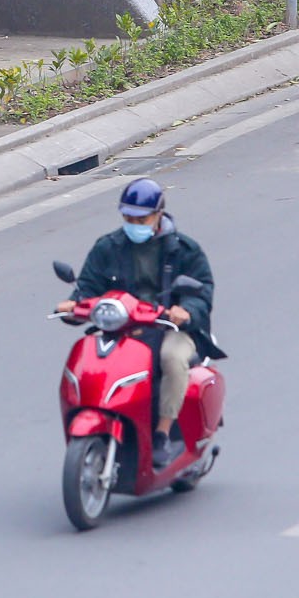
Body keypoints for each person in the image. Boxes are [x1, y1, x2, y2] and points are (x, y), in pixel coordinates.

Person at [55, 179, 216, 469]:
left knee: (171, 358)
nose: (134, 224)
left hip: (170, 329)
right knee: (91, 356)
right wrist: (73, 304)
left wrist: (186, 311)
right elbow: (88, 286)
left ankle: (162, 434)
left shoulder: (184, 250)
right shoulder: (108, 247)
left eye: (141, 218)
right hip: (122, 328)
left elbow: (203, 292)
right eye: (128, 218)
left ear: (158, 215)